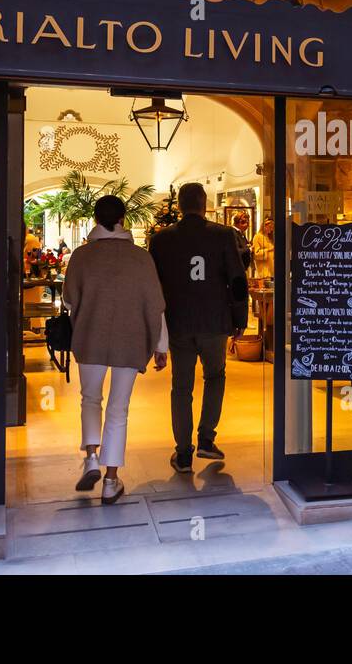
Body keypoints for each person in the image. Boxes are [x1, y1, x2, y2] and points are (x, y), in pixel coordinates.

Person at [64, 195, 168, 504]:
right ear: (124, 219)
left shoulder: (82, 256)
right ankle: (111, 482)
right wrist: (161, 345)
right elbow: (155, 306)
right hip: (130, 340)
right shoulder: (141, 258)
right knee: (118, 410)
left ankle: (91, 457)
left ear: (95, 219)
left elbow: (69, 300)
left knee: (90, 399)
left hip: (90, 337)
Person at [149, 182, 249, 473]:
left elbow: (153, 287)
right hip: (214, 322)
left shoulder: (161, 240)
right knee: (215, 376)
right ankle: (206, 438)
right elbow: (238, 280)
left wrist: (157, 330)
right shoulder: (222, 235)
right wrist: (240, 319)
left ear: (179, 205)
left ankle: (182, 454)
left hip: (178, 323)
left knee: (181, 386)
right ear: (204, 204)